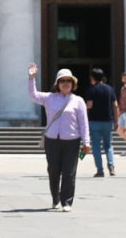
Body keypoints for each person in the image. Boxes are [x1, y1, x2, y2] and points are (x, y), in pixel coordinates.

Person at [28, 65, 89, 209]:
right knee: (53, 171)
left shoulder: (78, 100)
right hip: (52, 140)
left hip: (72, 140)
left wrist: (86, 142)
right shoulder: (49, 98)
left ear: (73, 84)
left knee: (69, 172)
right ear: (58, 84)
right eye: (62, 81)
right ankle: (55, 198)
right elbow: (33, 95)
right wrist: (31, 78)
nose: (66, 83)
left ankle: (67, 202)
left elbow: (83, 122)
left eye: (69, 81)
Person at [82, 68, 118, 176]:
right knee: (108, 145)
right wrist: (116, 121)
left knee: (96, 146)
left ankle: (100, 170)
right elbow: (115, 105)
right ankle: (111, 167)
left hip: (94, 121)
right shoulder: (110, 89)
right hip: (108, 121)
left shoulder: (91, 90)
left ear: (92, 78)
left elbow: (89, 105)